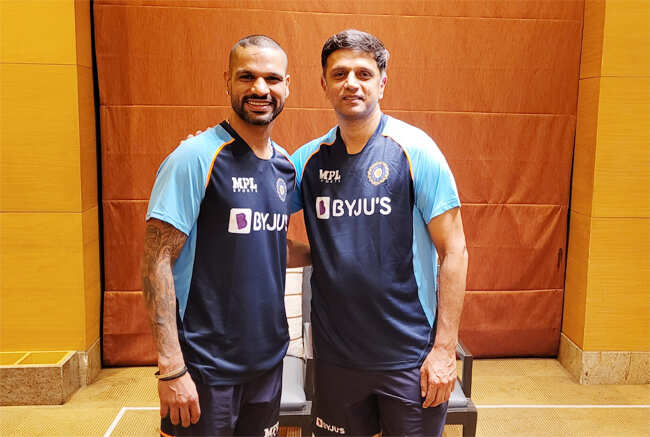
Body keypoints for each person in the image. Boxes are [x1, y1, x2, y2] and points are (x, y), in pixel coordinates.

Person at [290, 30, 468, 437]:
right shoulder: (306, 161)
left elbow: (455, 251)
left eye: (364, 73)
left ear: (382, 82)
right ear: (324, 84)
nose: (351, 83)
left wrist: (444, 350)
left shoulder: (416, 151)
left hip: (408, 355)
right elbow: (256, 224)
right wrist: (209, 153)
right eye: (339, 74)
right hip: (336, 358)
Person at [141, 35, 307, 437]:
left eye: (272, 78)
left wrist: (342, 255)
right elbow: (156, 260)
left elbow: (268, 246)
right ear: (227, 82)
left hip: (267, 361)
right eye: (247, 77)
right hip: (204, 366)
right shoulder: (194, 157)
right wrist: (171, 367)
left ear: (287, 85)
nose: (260, 89)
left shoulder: (285, 166)